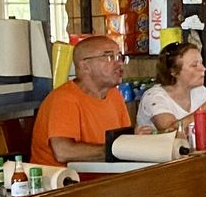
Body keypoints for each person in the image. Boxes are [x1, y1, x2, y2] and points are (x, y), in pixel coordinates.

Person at [32, 36, 144, 166]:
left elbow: (122, 140)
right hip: (66, 181)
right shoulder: (64, 99)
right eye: (109, 57)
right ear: (85, 66)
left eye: (120, 57)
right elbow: (63, 152)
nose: (119, 63)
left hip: (106, 175)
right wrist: (115, 150)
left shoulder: (114, 95)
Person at [137, 42, 206, 141]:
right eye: (194, 65)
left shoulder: (199, 91)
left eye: (201, 63)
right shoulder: (154, 97)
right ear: (173, 71)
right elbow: (170, 132)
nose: (203, 68)